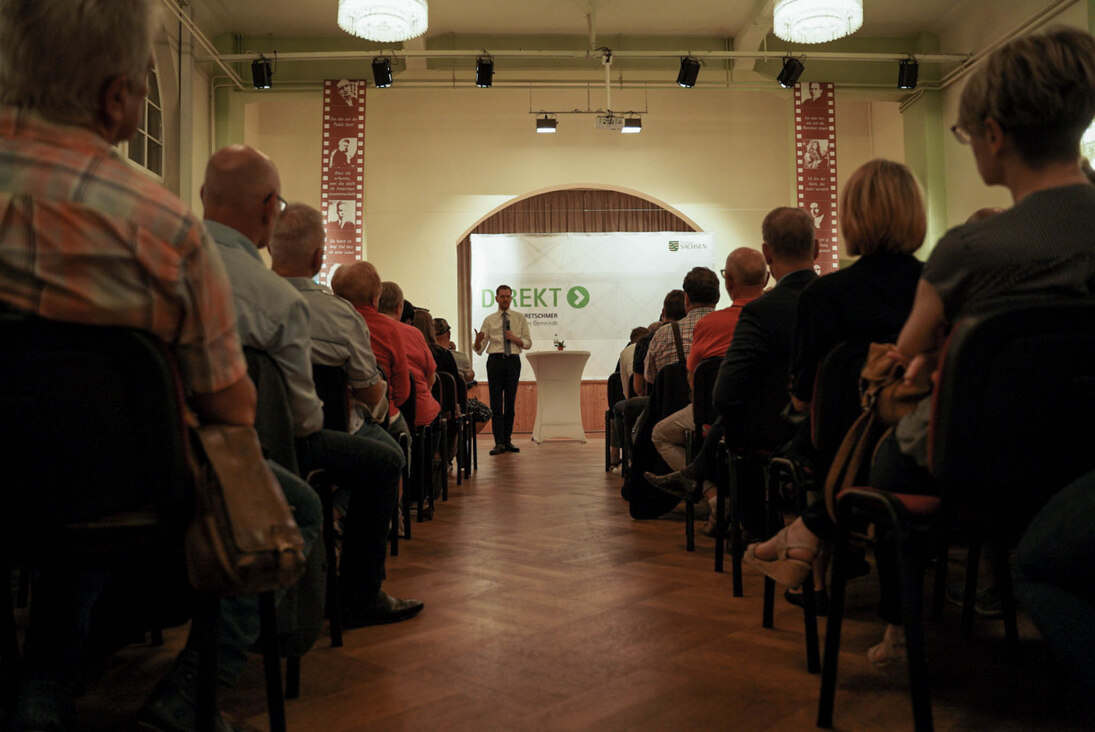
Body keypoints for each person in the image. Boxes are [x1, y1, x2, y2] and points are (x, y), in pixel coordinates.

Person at [0, 3, 318, 730]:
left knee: (51, 510)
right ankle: (181, 708)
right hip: (122, 487)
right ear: (116, 98)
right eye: (144, 85)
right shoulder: (159, 223)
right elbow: (231, 410)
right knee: (287, 506)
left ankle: (46, 678)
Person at [745, 26, 1095, 667]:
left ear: (993, 135)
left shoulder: (967, 254)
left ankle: (813, 537)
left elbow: (892, 370)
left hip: (978, 462)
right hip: (1081, 462)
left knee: (885, 448)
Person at [201, 145, 421, 632]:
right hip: (278, 446)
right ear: (320, 258)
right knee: (385, 459)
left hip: (181, 442)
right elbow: (308, 419)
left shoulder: (172, 264)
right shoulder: (285, 307)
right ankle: (357, 593)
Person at [646, 208, 819, 537]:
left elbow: (719, 392)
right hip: (830, 431)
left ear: (769, 255)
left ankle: (730, 508)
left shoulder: (759, 314)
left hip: (767, 433)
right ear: (817, 250)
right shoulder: (830, 301)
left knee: (727, 422)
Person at [646, 247, 768, 531]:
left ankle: (711, 494)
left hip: (716, 415)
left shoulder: (710, 324)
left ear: (730, 283)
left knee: (659, 434)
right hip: (774, 418)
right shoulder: (774, 317)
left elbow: (695, 380)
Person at [269, 203, 398, 449]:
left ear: (269, 247)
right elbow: (369, 394)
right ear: (318, 258)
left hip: (260, 438)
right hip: (327, 435)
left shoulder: (240, 301)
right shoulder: (342, 316)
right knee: (393, 458)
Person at [330, 261, 413, 442]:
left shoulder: (329, 322)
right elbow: (402, 390)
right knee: (404, 441)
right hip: (377, 414)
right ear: (376, 297)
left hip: (332, 415)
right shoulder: (389, 328)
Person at [474, 284, 531, 455]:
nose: (505, 299)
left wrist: (515, 338)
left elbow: (528, 343)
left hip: (513, 361)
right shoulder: (489, 320)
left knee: (510, 403)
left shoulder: (520, 318)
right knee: (496, 403)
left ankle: (508, 440)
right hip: (495, 361)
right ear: (496, 298)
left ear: (511, 298)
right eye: (502, 296)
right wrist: (477, 341)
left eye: (508, 296)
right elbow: (479, 349)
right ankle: (498, 442)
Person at [642, 268, 720, 388]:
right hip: (720, 405)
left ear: (686, 299)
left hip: (673, 405)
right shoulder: (735, 329)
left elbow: (650, 377)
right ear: (718, 297)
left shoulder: (662, 334)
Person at [434, 317, 474, 383]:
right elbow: (469, 377)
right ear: (449, 334)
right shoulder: (461, 357)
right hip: (452, 393)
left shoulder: (426, 355)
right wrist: (454, 352)